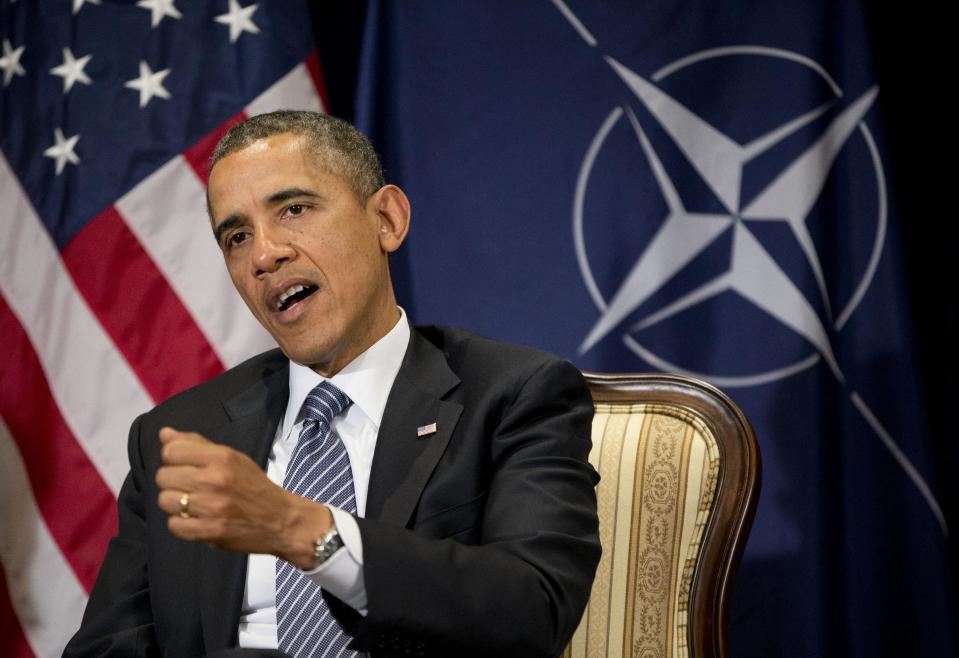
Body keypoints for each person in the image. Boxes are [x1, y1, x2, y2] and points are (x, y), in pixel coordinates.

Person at [65, 111, 600, 658]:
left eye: (294, 209)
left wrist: (300, 530)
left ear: (387, 220)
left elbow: (534, 609)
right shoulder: (179, 436)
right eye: (237, 236)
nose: (264, 255)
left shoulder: (512, 394)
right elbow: (108, 646)